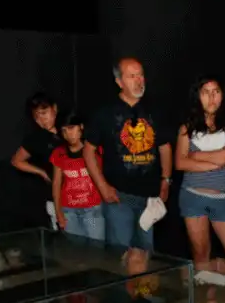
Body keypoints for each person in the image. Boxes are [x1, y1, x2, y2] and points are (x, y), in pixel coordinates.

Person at [84, 57, 173, 252]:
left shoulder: (156, 110)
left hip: (150, 198)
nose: (138, 80)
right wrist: (102, 186)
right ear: (119, 82)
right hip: (119, 196)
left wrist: (166, 180)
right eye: (131, 76)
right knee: (120, 254)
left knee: (146, 253)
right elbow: (88, 151)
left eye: (140, 75)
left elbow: (165, 146)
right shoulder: (104, 113)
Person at [174, 74, 225, 265]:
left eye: (216, 92)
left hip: (224, 200)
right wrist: (218, 161)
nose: (211, 97)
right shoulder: (187, 127)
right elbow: (180, 163)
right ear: (197, 96)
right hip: (192, 197)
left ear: (223, 95)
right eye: (205, 92)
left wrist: (195, 156)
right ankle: (204, 294)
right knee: (201, 255)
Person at [50, 111, 105, 241]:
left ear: (81, 127)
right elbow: (56, 184)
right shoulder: (59, 153)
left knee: (96, 251)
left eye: (71, 128)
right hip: (69, 210)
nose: (68, 134)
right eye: (64, 131)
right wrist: (59, 213)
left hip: (92, 208)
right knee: (76, 253)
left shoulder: (96, 150)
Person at [11, 92, 63, 227]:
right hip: (55, 196)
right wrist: (41, 172)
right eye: (36, 116)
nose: (42, 119)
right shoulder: (36, 138)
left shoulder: (69, 126)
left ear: (54, 108)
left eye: (44, 113)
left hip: (83, 195)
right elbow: (16, 161)